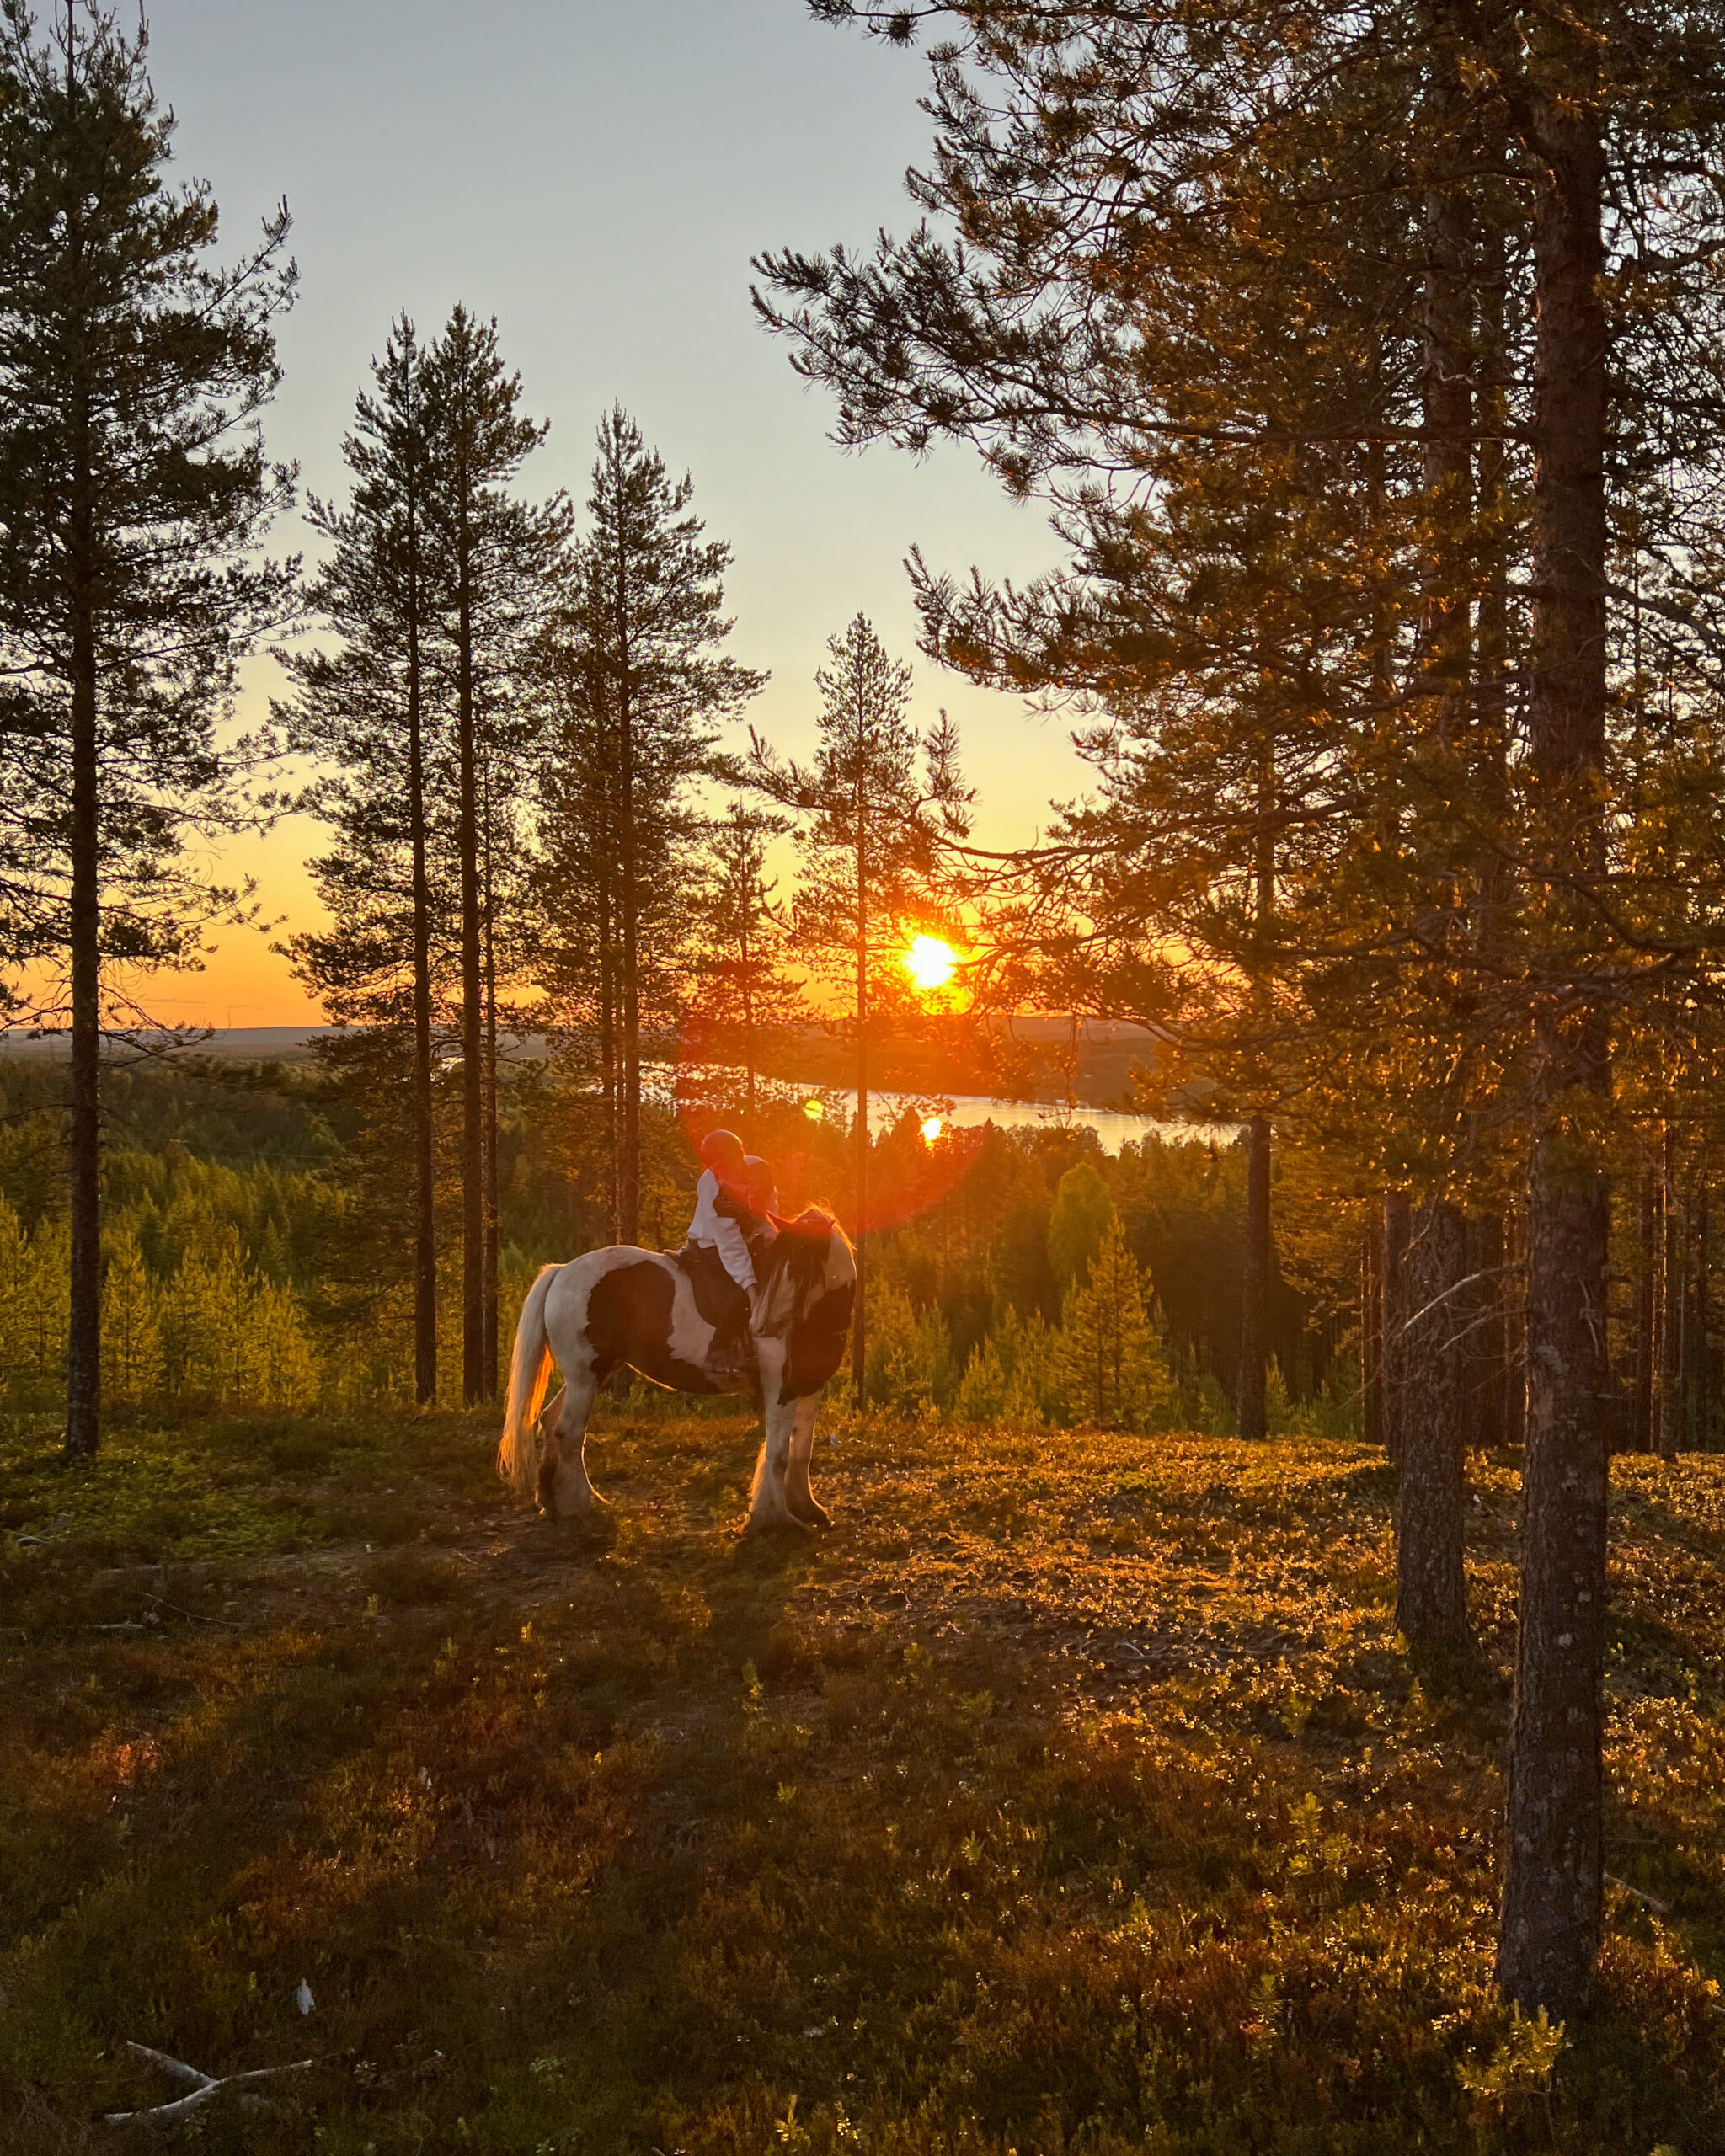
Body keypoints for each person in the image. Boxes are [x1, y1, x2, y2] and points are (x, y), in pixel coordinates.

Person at [685, 1129, 779, 1374]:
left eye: (727, 1166)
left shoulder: (761, 1171)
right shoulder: (712, 1185)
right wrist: (751, 1290)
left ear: (741, 1154)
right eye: (718, 1170)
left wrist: (774, 1243)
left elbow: (770, 1212)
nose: (723, 1174)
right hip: (711, 1244)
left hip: (747, 1237)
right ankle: (719, 1350)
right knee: (742, 1289)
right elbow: (729, 1245)